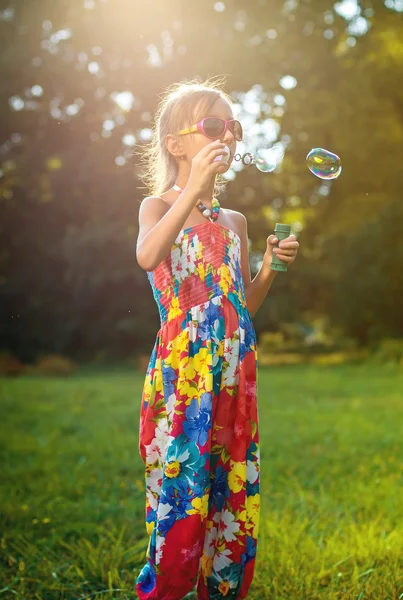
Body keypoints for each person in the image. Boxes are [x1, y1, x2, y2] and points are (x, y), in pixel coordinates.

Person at [134, 78, 299, 600]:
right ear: (176, 143)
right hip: (184, 374)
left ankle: (222, 589)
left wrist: (269, 268)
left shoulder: (235, 220)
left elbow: (239, 304)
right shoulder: (157, 208)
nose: (225, 135)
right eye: (212, 125)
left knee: (230, 487)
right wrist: (190, 190)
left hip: (234, 370)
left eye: (232, 126)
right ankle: (168, 587)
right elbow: (147, 256)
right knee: (183, 488)